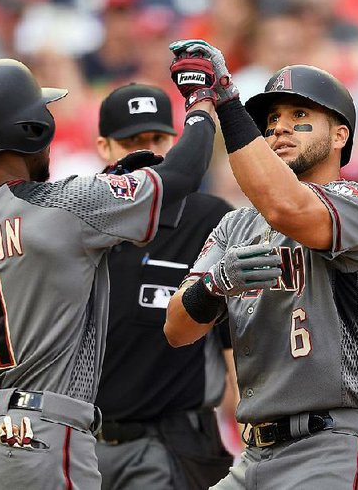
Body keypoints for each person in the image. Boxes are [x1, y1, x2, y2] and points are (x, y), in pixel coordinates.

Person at [0, 58, 217, 490]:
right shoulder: (64, 205)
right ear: (32, 130)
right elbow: (182, 173)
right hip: (41, 433)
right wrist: (200, 103)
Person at [164, 40, 358, 488]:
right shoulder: (236, 226)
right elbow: (176, 328)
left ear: (340, 135)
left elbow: (287, 209)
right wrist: (214, 286)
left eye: (300, 118)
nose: (280, 129)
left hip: (330, 447)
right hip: (252, 458)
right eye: (271, 121)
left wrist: (227, 101)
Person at [92, 83, 235, 490]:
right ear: (104, 147)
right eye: (132, 141)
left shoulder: (209, 220)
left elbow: (236, 349)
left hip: (170, 443)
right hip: (84, 442)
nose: (147, 150)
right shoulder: (83, 220)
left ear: (175, 141)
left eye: (157, 138)